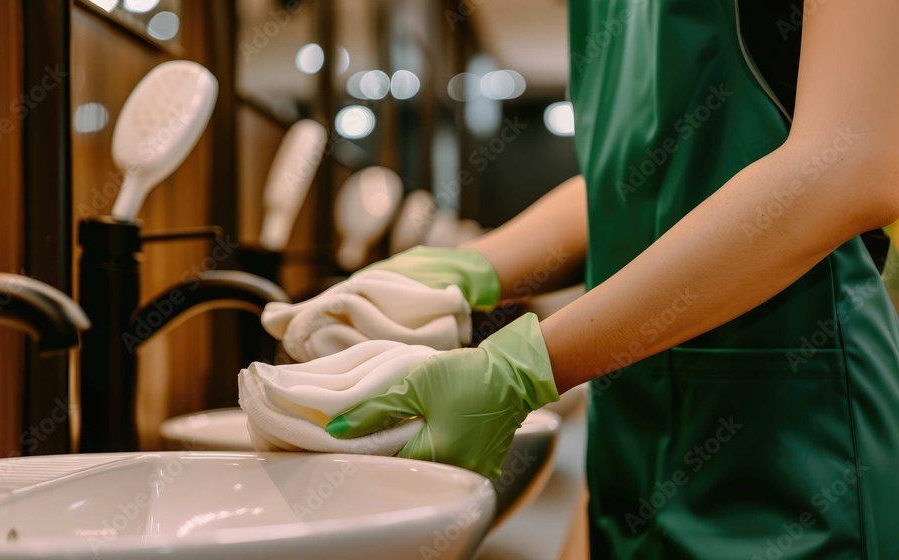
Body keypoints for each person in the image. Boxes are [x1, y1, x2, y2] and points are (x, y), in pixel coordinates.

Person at [269, 0, 899, 557]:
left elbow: (847, 164)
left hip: (796, 455)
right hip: (632, 444)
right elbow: (638, 186)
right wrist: (471, 268)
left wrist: (524, 368)